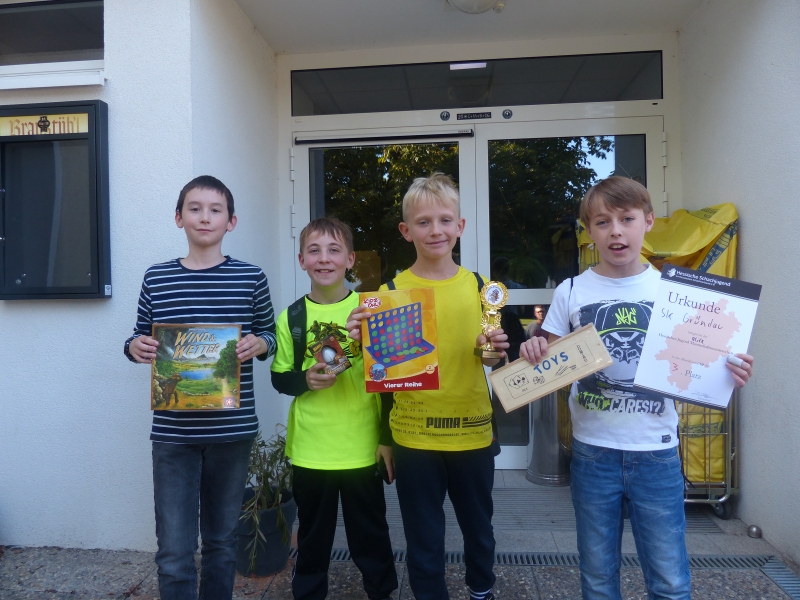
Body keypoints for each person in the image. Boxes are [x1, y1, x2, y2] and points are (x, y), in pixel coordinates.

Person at [519, 176, 754, 600]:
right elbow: (547, 361)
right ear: (588, 232)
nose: (616, 231)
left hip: (657, 454)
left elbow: (702, 359)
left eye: (626, 219)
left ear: (648, 221)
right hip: (592, 454)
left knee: (670, 580)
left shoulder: (678, 293)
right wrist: (534, 348)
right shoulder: (571, 291)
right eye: (603, 222)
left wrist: (729, 371)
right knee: (597, 577)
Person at [347, 173, 509, 600]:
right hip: (413, 435)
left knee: (479, 528)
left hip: (473, 431)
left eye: (444, 220)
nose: (435, 230)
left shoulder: (482, 289)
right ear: (406, 231)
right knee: (422, 535)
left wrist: (492, 353)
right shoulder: (389, 293)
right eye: (423, 222)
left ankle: (481, 590)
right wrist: (358, 341)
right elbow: (385, 378)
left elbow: (491, 358)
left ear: (461, 226)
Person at [123, 175, 277, 600]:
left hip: (232, 430)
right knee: (174, 551)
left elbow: (271, 335)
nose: (204, 217)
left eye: (215, 210)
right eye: (194, 208)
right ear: (179, 218)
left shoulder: (251, 277)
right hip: (173, 434)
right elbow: (138, 336)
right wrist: (134, 347)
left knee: (222, 543)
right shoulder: (157, 277)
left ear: (231, 221)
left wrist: (260, 343)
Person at [271, 217, 397, 600]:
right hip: (311, 450)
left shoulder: (371, 309)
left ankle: (381, 592)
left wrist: (386, 438)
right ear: (301, 260)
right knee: (312, 537)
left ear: (350, 259)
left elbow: (390, 381)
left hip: (362, 447)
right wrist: (305, 380)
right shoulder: (291, 318)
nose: (324, 259)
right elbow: (280, 379)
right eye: (314, 251)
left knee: (371, 535)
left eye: (333, 250)